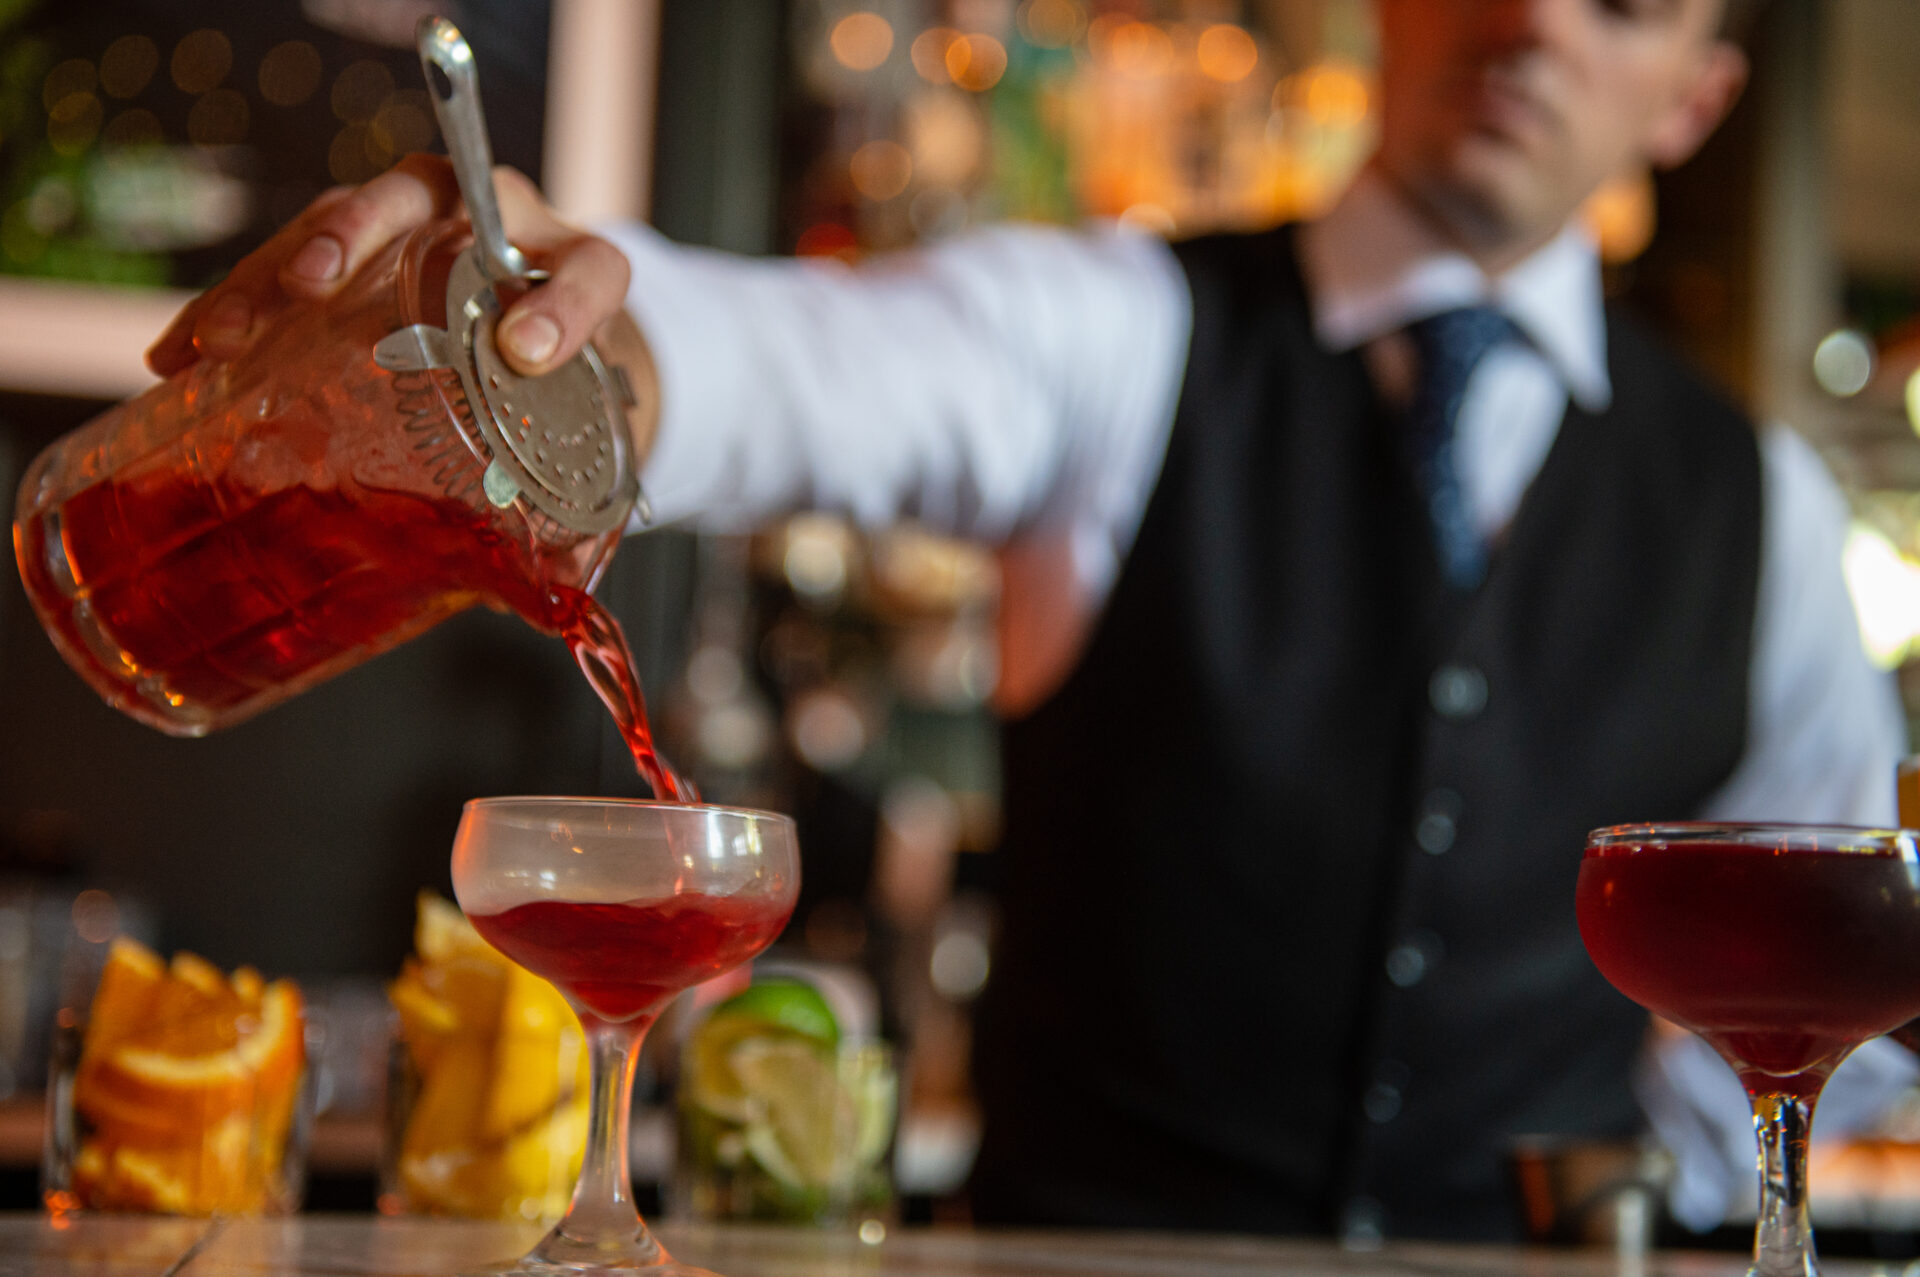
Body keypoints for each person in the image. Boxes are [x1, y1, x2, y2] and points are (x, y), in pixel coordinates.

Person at [148, 0, 1904, 1244]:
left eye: (1621, 3)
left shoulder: (1762, 509)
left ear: (1695, 97)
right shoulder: (1120, 330)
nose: (1533, 24)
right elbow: (786, 364)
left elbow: (1818, 980)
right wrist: (581, 334)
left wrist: (1664, 1212)